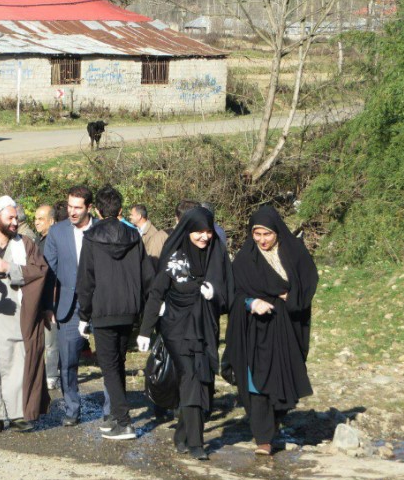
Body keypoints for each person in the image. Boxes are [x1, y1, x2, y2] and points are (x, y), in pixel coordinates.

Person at [137, 207, 232, 460]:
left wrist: (215, 295)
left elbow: (229, 292)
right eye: (198, 231)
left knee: (203, 380)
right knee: (191, 376)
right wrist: (145, 331)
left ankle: (182, 434)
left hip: (205, 327)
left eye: (208, 231)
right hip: (176, 328)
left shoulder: (216, 254)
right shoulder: (174, 257)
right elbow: (157, 293)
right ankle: (197, 443)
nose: (204, 236)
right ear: (187, 230)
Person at [223, 206, 317, 456]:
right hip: (255, 328)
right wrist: (251, 302)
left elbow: (308, 281)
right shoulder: (245, 259)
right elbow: (234, 293)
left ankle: (273, 424)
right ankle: (263, 438)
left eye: (267, 234)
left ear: (277, 232)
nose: (262, 240)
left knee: (284, 376)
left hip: (287, 326)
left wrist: (292, 297)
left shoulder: (294, 253)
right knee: (257, 381)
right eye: (257, 234)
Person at [77, 185, 155, 440]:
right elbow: (147, 276)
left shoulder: (91, 237)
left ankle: (124, 421)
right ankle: (115, 415)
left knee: (109, 365)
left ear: (97, 211)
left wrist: (83, 315)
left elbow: (86, 280)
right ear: (120, 210)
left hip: (103, 308)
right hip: (129, 308)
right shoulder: (134, 236)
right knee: (117, 363)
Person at [0, 196, 50, 432]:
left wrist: (11, 269)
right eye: (9, 218)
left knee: (17, 362)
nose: (15, 222)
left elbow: (40, 271)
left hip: (17, 313)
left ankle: (18, 414)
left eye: (16, 218)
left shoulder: (25, 244)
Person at [43, 185, 100, 426]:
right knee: (67, 362)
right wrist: (48, 305)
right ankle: (72, 409)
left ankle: (112, 411)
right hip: (69, 305)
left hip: (100, 303)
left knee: (110, 361)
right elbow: (48, 271)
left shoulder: (102, 229)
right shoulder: (57, 232)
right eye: (69, 206)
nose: (72, 212)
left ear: (89, 207)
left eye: (77, 207)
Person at [34, 204, 61, 390]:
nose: (36, 222)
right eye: (35, 218)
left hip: (52, 296)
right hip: (39, 296)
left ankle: (52, 375)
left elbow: (55, 275)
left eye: (40, 219)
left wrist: (51, 304)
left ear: (51, 221)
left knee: (51, 340)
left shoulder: (55, 242)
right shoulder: (38, 241)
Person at [128, 204, 168, 272]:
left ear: (139, 216)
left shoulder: (152, 234)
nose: (130, 217)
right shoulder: (137, 230)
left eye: (132, 215)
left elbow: (153, 260)